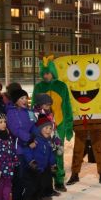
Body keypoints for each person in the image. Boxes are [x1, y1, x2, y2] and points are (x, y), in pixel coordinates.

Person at [33, 58, 73, 192]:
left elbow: (67, 106)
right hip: (42, 127)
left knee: (58, 153)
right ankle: (45, 182)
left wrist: (68, 125)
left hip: (58, 126)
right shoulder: (39, 87)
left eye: (48, 73)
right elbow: (33, 106)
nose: (46, 76)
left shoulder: (61, 86)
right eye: (44, 73)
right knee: (43, 153)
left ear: (53, 72)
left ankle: (59, 180)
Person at [6, 88, 36, 200]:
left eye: (26, 98)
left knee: (30, 175)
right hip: (18, 148)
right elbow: (15, 129)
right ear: (15, 101)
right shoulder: (11, 113)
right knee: (19, 177)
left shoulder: (28, 111)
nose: (25, 100)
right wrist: (28, 139)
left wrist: (36, 136)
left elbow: (33, 125)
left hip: (30, 147)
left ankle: (27, 199)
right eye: (21, 98)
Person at [24, 116, 57, 200]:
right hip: (33, 167)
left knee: (42, 184)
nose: (48, 131)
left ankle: (37, 198)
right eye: (46, 128)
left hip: (43, 167)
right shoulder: (35, 140)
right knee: (32, 186)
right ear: (39, 129)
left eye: (50, 128)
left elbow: (50, 154)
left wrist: (53, 164)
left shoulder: (48, 141)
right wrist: (31, 161)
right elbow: (28, 150)